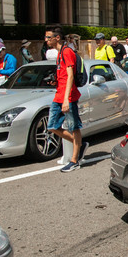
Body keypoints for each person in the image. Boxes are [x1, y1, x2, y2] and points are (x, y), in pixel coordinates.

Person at [45, 26, 87, 173]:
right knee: (52, 126)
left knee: (74, 126)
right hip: (59, 94)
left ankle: (75, 160)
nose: (46, 40)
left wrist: (66, 100)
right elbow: (63, 76)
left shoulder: (67, 52)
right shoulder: (59, 53)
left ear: (57, 38)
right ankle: (79, 144)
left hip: (68, 97)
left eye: (48, 37)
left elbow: (70, 76)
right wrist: (55, 82)